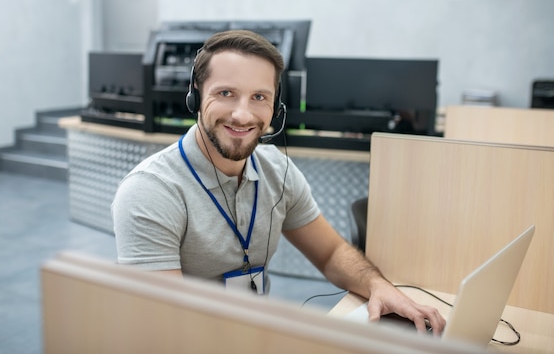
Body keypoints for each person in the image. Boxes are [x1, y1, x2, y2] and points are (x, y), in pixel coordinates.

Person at [112, 29, 445, 335]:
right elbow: (163, 325)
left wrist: (378, 287)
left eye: (259, 97)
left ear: (277, 107)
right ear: (195, 97)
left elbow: (330, 253)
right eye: (226, 93)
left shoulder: (276, 170)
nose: (242, 115)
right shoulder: (151, 191)